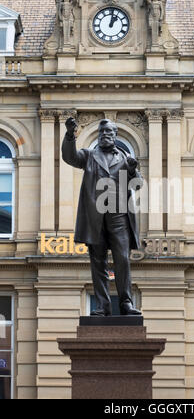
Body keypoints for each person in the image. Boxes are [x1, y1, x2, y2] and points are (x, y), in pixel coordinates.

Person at [62, 117, 143, 316]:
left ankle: (126, 302)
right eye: (102, 132)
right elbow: (69, 157)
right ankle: (102, 305)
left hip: (119, 216)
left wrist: (132, 171)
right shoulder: (89, 156)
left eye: (110, 132)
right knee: (98, 262)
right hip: (95, 217)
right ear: (99, 135)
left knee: (122, 259)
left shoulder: (125, 159)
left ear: (115, 136)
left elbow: (138, 185)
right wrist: (70, 135)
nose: (105, 135)